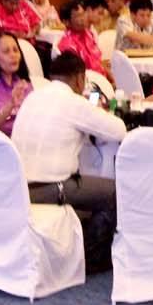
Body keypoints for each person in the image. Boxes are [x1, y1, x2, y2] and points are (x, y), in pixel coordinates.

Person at [14, 52, 125, 272]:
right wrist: (94, 110)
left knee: (85, 182)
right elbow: (119, 130)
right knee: (115, 192)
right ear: (80, 79)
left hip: (16, 187)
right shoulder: (75, 103)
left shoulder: (33, 97)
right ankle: (90, 258)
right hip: (48, 188)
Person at [56, 0, 105, 77]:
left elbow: (98, 62)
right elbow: (76, 74)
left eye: (83, 14)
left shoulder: (89, 34)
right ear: (66, 22)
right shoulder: (67, 45)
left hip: (100, 76)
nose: (82, 18)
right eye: (78, 16)